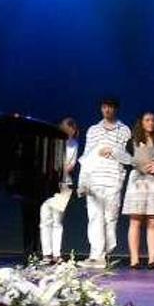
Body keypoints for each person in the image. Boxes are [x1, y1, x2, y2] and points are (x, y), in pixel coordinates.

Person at [76, 97, 132, 269]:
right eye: (104, 107)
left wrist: (113, 151)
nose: (107, 110)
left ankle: (105, 254)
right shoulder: (93, 130)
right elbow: (86, 156)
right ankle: (95, 255)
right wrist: (82, 182)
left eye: (111, 107)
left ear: (116, 109)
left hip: (114, 178)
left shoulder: (125, 130)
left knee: (110, 218)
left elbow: (129, 158)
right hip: (94, 178)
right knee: (94, 217)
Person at [118, 112, 154, 269]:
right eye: (147, 120)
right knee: (135, 220)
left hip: (153, 182)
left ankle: (152, 259)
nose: (150, 123)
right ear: (141, 122)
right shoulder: (131, 142)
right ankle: (134, 259)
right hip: (137, 182)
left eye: (153, 120)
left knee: (153, 221)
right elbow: (125, 161)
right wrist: (137, 163)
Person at [39, 118, 79, 264]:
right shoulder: (50, 142)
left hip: (63, 184)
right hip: (47, 183)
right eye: (65, 128)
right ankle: (46, 254)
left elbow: (70, 166)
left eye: (71, 129)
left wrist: (62, 169)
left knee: (57, 220)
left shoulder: (73, 145)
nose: (68, 131)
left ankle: (56, 254)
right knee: (45, 220)